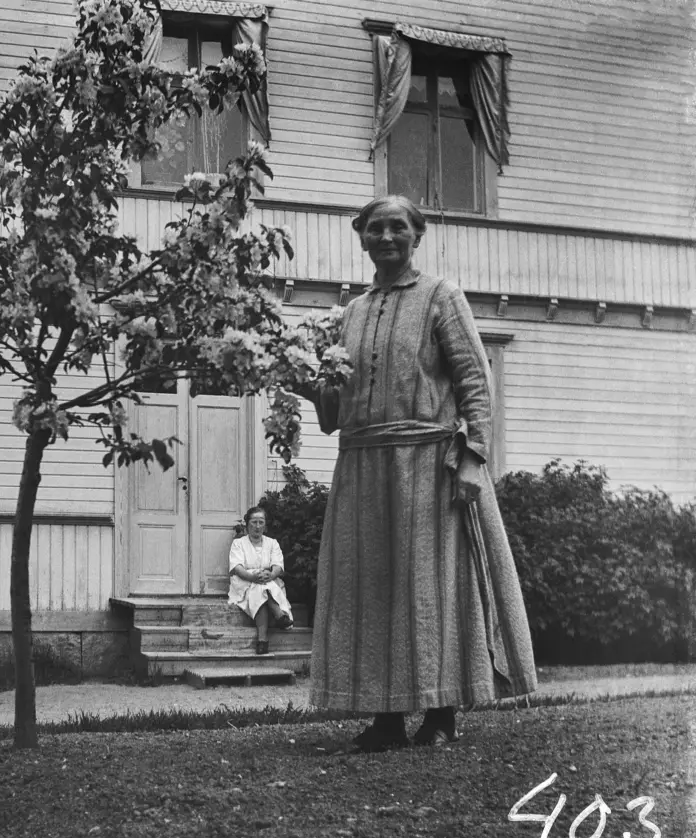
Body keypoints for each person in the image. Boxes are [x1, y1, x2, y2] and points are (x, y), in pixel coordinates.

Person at [302, 195, 537, 753]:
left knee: (429, 590)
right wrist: (302, 380)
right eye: (376, 228)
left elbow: (476, 384)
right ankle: (384, 719)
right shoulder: (349, 315)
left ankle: (440, 712)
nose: (386, 237)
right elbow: (334, 415)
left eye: (398, 228)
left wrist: (475, 459)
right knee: (374, 591)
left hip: (429, 466)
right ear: (361, 237)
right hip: (362, 471)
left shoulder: (440, 297)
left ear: (417, 235)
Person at [228, 506, 296, 655]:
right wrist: (252, 577)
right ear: (247, 524)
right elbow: (237, 567)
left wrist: (270, 575)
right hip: (244, 581)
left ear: (265, 525)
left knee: (261, 588)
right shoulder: (238, 544)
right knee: (259, 587)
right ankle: (279, 615)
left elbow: (278, 566)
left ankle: (263, 641)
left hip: (268, 581)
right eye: (254, 522)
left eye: (261, 522)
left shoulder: (272, 543)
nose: (257, 526)